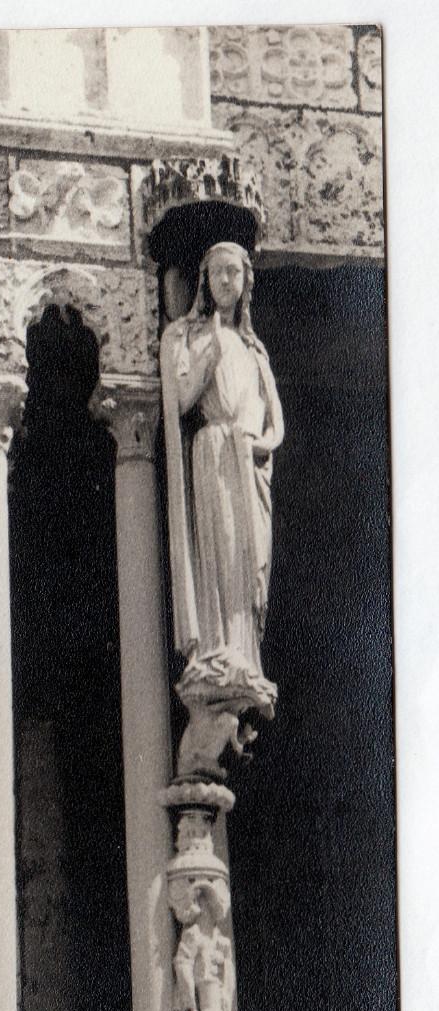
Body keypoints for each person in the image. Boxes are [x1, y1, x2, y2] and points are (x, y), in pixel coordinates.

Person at [161, 242, 284, 718]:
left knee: (251, 558)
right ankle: (218, 647)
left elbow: (277, 419)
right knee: (223, 548)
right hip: (213, 451)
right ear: (205, 283)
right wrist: (208, 357)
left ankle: (244, 652)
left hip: (247, 458)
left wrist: (263, 445)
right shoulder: (191, 335)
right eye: (218, 274)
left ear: (246, 281)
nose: (227, 282)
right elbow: (182, 401)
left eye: (234, 273)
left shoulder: (254, 349)